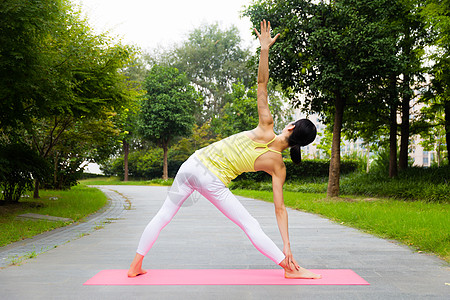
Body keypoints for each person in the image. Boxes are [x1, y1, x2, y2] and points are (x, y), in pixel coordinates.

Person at [128, 20, 321, 279]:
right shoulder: (278, 166)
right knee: (249, 224)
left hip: (191, 165)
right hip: (211, 179)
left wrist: (264, 49)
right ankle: (289, 268)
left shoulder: (266, 125)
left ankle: (135, 266)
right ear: (299, 144)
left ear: (289, 126)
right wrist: (287, 245)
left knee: (163, 215)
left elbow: (261, 85)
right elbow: (280, 209)